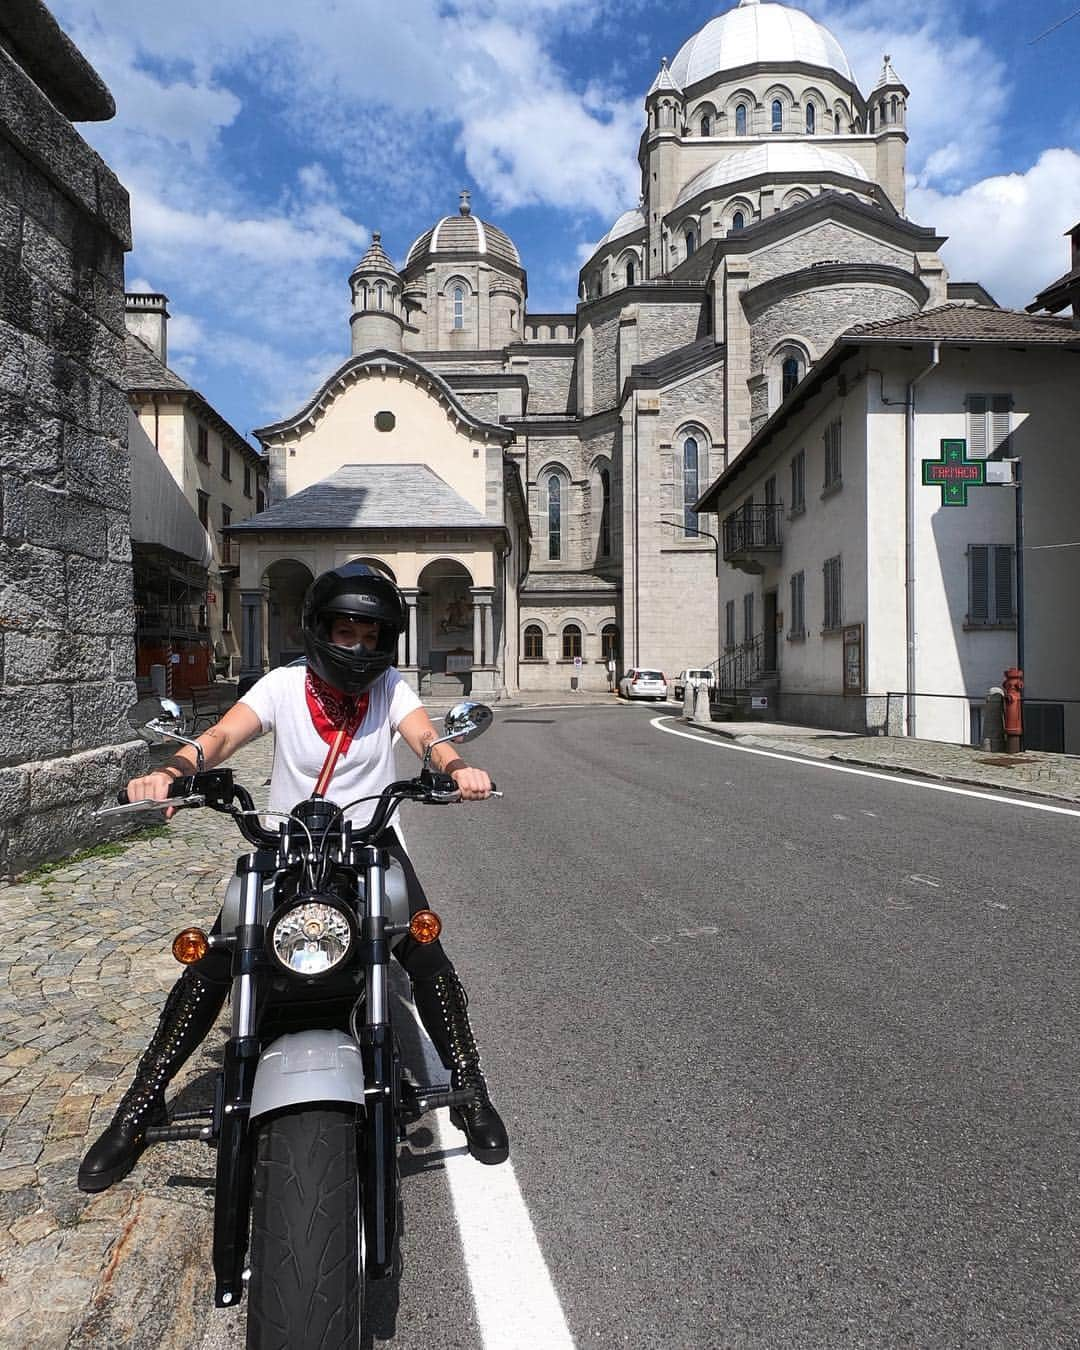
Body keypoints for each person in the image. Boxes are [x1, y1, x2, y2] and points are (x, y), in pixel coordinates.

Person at [78, 563, 509, 1193]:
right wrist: (171, 771)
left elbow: (427, 740)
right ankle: (141, 1103)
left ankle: (470, 1089)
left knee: (424, 950)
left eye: (370, 636)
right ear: (320, 629)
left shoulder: (391, 688)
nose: (358, 647)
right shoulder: (283, 685)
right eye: (346, 631)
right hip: (284, 841)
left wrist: (456, 767)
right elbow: (224, 735)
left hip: (365, 840)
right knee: (219, 956)